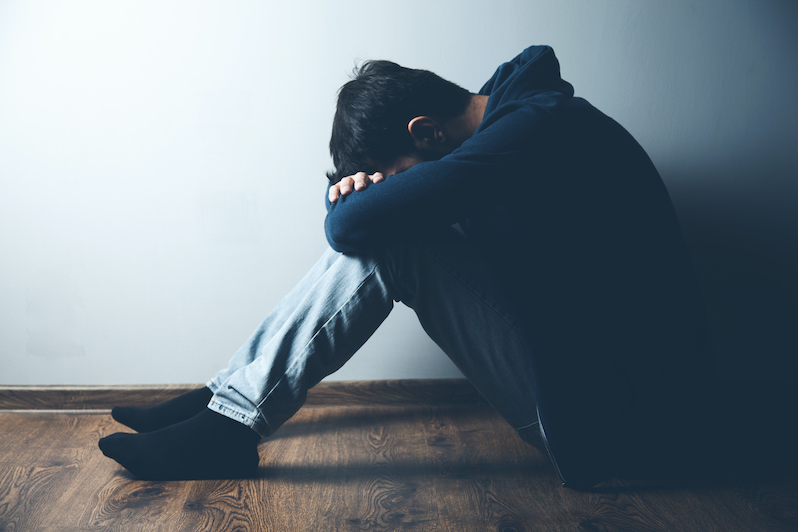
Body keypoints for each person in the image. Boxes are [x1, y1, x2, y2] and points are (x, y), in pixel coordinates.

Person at [99, 45, 712, 482]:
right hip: (589, 394)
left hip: (616, 434)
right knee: (392, 232)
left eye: (393, 180)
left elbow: (352, 228)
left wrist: (359, 205)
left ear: (426, 133)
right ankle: (221, 404)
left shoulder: (536, 132)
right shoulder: (507, 130)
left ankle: (228, 423)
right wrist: (366, 195)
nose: (395, 194)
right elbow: (359, 221)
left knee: (395, 241)